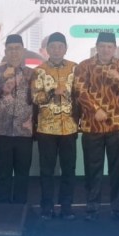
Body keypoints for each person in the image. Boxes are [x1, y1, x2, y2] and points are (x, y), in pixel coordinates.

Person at [74, 31, 119, 221]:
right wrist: (95, 109)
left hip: (117, 125)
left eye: (109, 47)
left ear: (114, 48)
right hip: (92, 125)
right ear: (97, 47)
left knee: (118, 169)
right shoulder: (84, 66)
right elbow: (79, 91)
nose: (106, 50)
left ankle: (118, 207)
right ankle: (92, 207)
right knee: (93, 169)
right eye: (102, 46)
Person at [0, 34, 35, 204]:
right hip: (1, 132)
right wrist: (3, 78)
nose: (14, 52)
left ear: (23, 51)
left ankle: (20, 211)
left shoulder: (31, 73)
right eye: (10, 49)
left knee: (22, 175)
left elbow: (37, 100)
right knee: (2, 175)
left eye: (17, 49)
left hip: (24, 133)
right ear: (5, 51)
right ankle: (3, 211)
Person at [31, 32, 78, 219]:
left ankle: (66, 207)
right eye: (53, 47)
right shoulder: (39, 70)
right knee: (46, 170)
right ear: (47, 49)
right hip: (46, 128)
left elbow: (81, 94)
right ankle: (47, 207)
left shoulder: (75, 69)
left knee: (69, 170)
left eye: (60, 46)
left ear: (65, 49)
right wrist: (52, 92)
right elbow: (35, 97)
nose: (57, 50)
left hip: (70, 127)